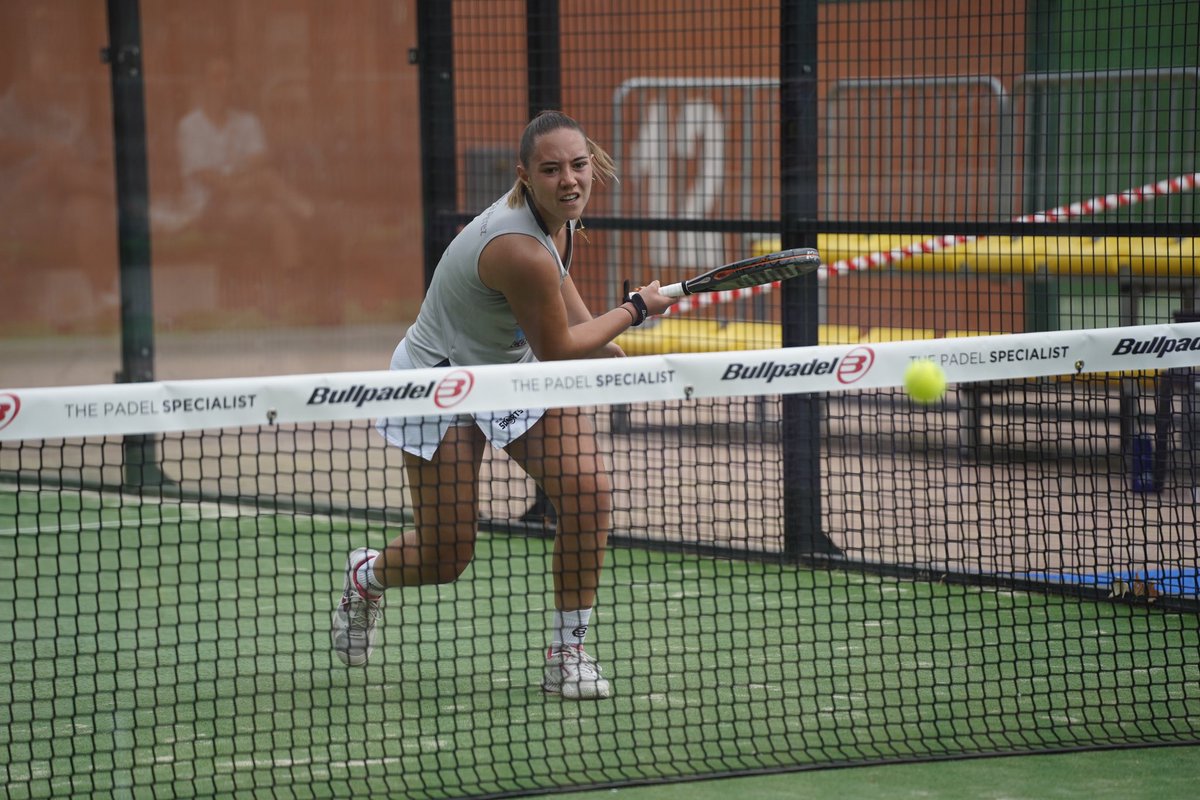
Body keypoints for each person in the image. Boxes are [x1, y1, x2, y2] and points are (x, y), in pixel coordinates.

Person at [330, 110, 676, 699]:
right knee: (446, 556)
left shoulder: (558, 222)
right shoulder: (517, 246)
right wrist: (635, 310)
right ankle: (367, 577)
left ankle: (568, 651)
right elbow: (560, 348)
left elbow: (564, 299)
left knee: (587, 494)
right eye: (551, 170)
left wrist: (606, 344)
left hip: (511, 369)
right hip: (442, 384)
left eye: (577, 165)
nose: (569, 180)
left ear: (591, 162)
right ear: (525, 176)